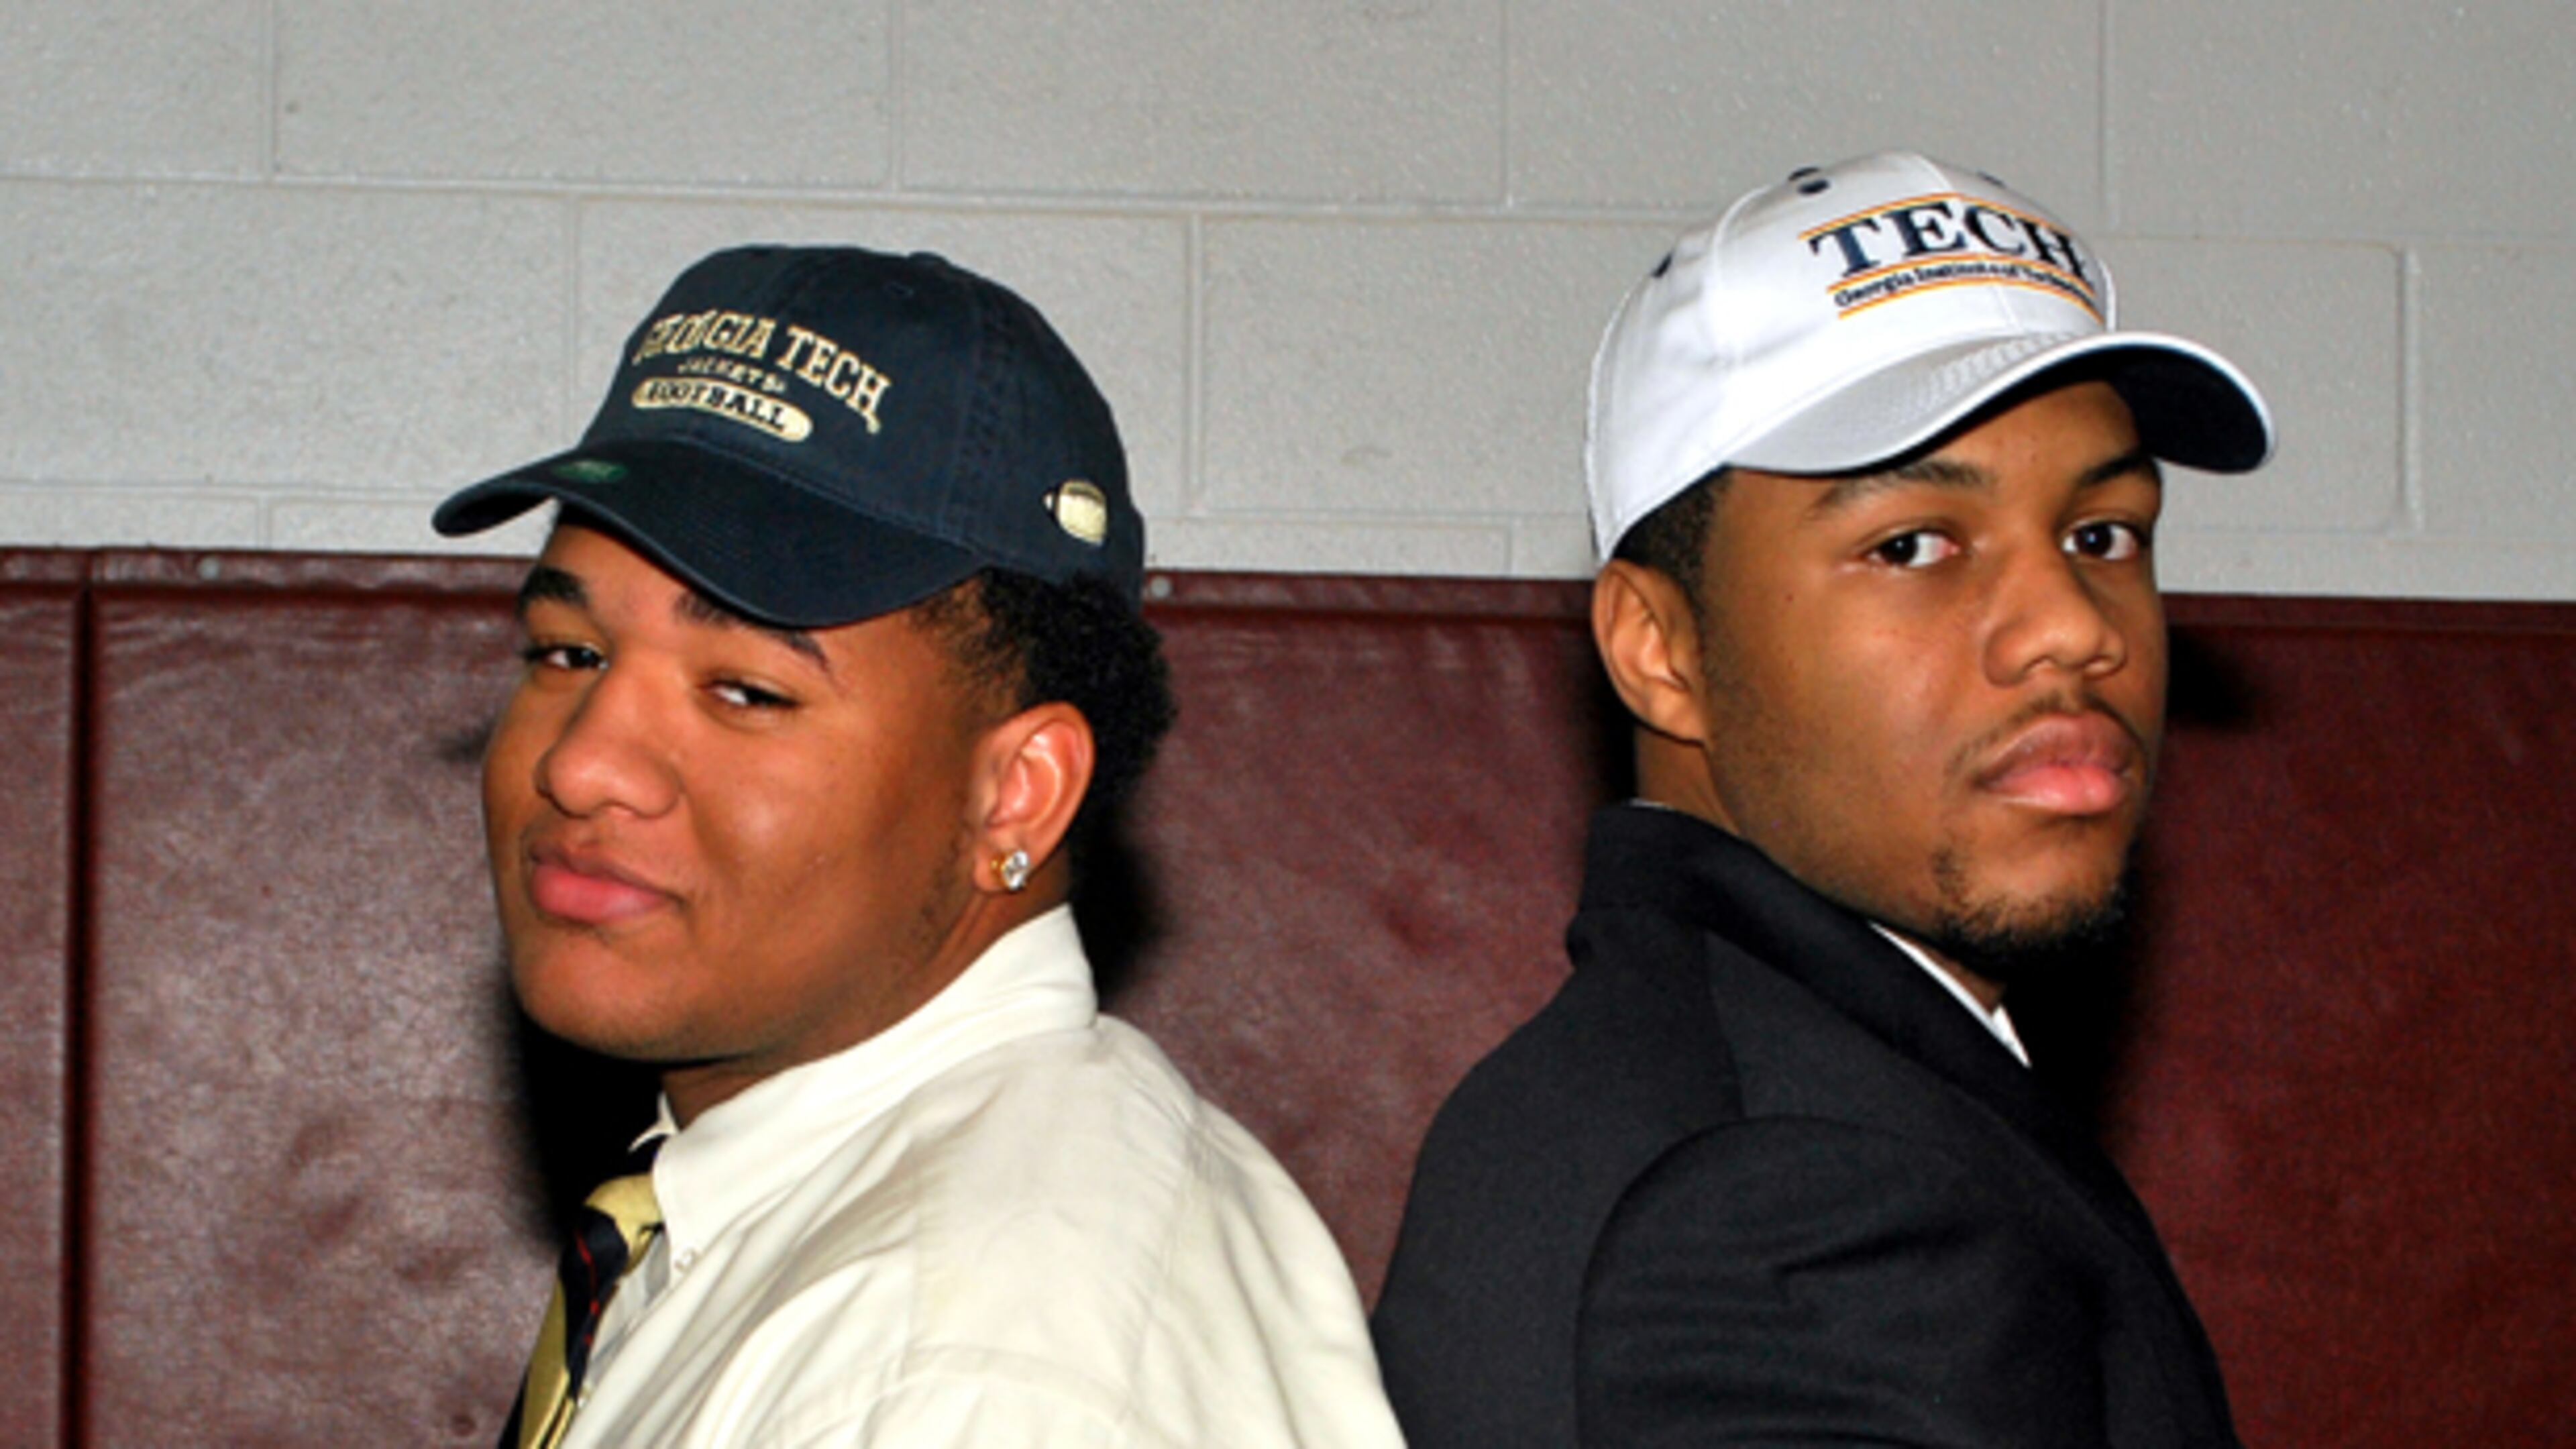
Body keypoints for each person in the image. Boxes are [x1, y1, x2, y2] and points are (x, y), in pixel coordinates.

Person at [1370, 150, 2272, 1447]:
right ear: (1661, 649)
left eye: (2102, 534)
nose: (2072, 628)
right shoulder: (1794, 1196)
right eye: (1912, 546)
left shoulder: (1741, 1076)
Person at [435, 245, 1404, 1449]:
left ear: (1015, 794)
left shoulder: (972, 1372)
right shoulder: (804, 1194)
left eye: (744, 691)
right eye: (566, 655)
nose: (578, 764)